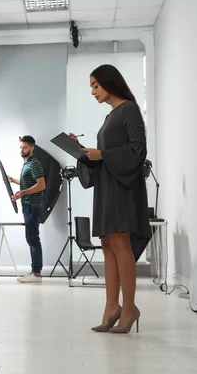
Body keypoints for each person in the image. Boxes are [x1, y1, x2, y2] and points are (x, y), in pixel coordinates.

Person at [70, 64, 151, 334]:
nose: (92, 92)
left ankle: (129, 308)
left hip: (122, 188)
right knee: (106, 243)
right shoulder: (111, 116)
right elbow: (103, 155)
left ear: (109, 83)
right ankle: (111, 306)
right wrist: (80, 151)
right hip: (108, 187)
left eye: (95, 85)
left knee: (119, 242)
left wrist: (102, 155)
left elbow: (138, 150)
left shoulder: (128, 109)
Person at [7, 135, 46, 283]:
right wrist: (13, 180)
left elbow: (41, 185)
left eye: (24, 147)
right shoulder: (26, 163)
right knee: (31, 238)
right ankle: (34, 271)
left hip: (33, 206)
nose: (22, 150)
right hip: (28, 205)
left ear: (32, 147)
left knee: (33, 239)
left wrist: (22, 193)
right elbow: (27, 183)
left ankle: (36, 273)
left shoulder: (34, 163)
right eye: (20, 147)